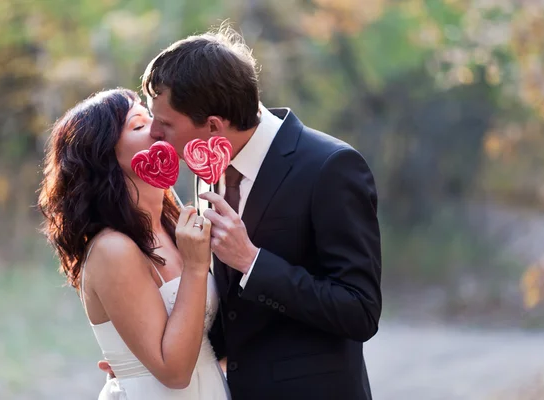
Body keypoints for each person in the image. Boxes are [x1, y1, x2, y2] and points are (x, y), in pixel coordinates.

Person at [137, 25, 383, 399]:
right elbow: (232, 311)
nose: (154, 133)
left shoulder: (331, 167)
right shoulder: (208, 168)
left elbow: (359, 310)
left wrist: (251, 261)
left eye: (166, 123)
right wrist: (147, 356)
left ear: (214, 126)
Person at [38, 88, 230, 399]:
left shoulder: (174, 224)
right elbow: (175, 373)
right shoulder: (113, 249)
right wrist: (196, 268)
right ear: (104, 158)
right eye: (139, 126)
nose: (157, 128)